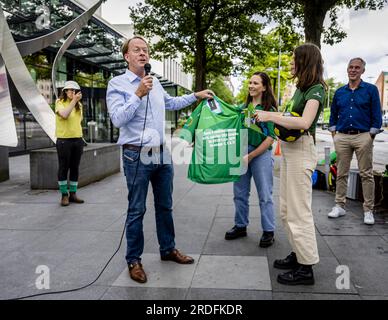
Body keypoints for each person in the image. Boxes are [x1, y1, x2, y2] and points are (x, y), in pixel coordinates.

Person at [106, 36, 213, 284]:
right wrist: (138, 94)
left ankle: (168, 249)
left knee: (165, 205)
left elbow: (171, 103)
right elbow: (117, 120)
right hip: (136, 155)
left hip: (162, 153)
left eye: (145, 50)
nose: (143, 53)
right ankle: (134, 260)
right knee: (136, 210)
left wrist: (196, 95)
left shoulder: (155, 82)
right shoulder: (117, 84)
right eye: (137, 50)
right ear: (127, 56)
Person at [254, 43, 326, 285]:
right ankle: (298, 254)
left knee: (299, 212)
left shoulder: (316, 89)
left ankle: (306, 269)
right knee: (287, 209)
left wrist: (271, 116)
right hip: (290, 151)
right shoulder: (301, 88)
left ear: (305, 61)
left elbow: (304, 122)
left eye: (295, 59)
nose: (291, 63)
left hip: (302, 151)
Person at [225, 72, 277, 248]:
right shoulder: (243, 108)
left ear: (264, 87)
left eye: (255, 83)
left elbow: (270, 138)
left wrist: (250, 156)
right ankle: (240, 226)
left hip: (261, 154)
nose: (251, 86)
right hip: (241, 153)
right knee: (239, 193)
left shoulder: (269, 110)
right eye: (250, 83)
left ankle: (268, 231)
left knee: (265, 195)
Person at [328, 57, 382, 225]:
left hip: (363, 136)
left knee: (366, 174)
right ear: (347, 69)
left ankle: (368, 210)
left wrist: (371, 135)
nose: (353, 70)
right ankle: (339, 205)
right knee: (341, 173)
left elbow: (376, 114)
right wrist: (334, 133)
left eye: (357, 68)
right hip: (342, 136)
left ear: (363, 71)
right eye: (351, 67)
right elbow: (333, 114)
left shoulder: (371, 90)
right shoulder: (340, 92)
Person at [55, 80, 85, 207]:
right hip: (63, 140)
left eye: (75, 90)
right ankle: (64, 195)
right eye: (70, 90)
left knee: (75, 167)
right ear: (65, 91)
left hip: (77, 140)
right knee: (63, 167)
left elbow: (78, 122)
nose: (72, 92)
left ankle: (73, 194)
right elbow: (65, 115)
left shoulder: (79, 105)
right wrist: (74, 101)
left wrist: (76, 102)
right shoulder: (59, 102)